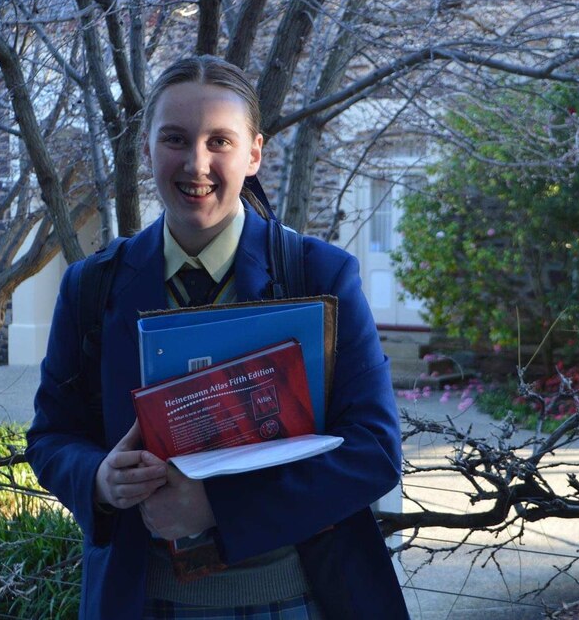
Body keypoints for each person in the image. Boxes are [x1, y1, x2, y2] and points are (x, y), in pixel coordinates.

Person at [26, 55, 408, 620]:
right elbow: (53, 437)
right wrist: (100, 479)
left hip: (297, 601)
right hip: (140, 603)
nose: (196, 163)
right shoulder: (92, 287)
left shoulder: (319, 277)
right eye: (175, 139)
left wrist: (216, 507)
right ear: (147, 149)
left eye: (220, 141)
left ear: (254, 152)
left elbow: (374, 450)